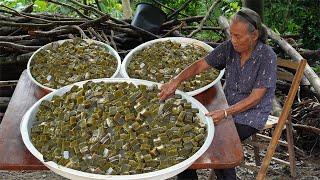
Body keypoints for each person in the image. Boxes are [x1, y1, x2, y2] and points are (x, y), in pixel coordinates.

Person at [158, 8, 277, 180]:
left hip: (251, 114)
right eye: (231, 34)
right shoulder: (229, 48)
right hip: (226, 105)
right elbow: (200, 65)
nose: (233, 40)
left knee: (219, 145)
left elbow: (255, 98)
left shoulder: (267, 56)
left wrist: (226, 113)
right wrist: (175, 81)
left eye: (238, 36)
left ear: (254, 35)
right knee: (184, 137)